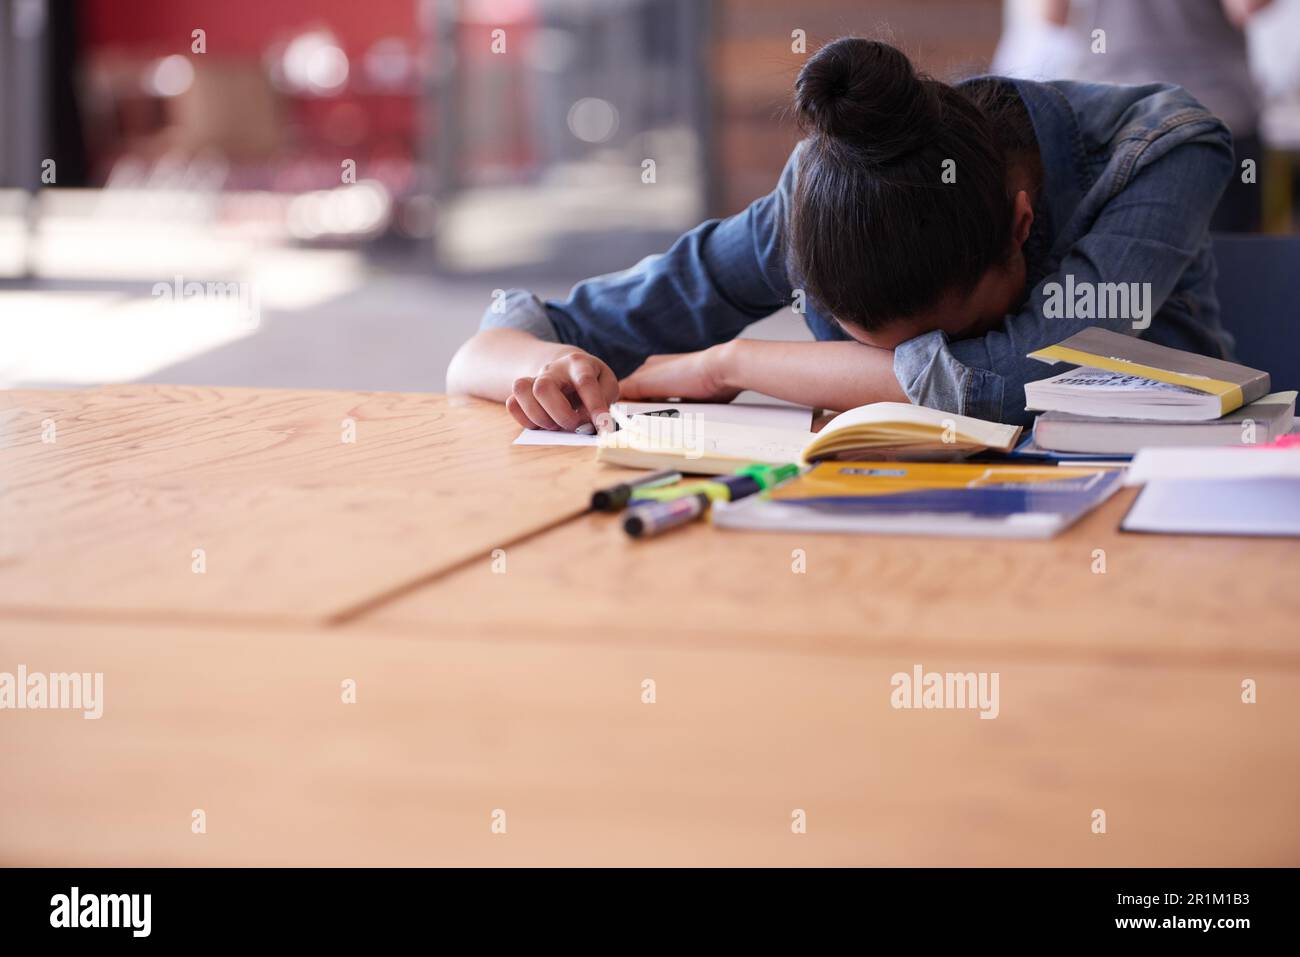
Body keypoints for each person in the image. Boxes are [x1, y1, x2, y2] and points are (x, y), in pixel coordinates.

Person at [447, 37, 1237, 430]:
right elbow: (493, 346)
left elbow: (1025, 372)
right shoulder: (818, 210)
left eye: (938, 341)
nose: (909, 368)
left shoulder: (1161, 151)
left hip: (1146, 510)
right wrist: (554, 368)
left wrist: (733, 362)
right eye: (873, 350)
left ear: (1020, 225)